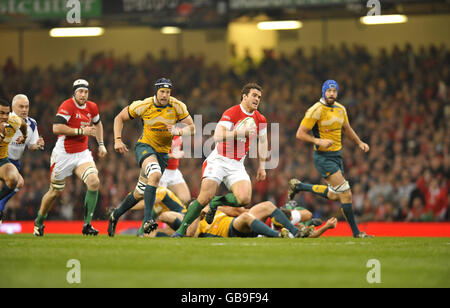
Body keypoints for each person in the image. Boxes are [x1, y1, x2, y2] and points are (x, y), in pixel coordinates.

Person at [174, 83, 268, 237]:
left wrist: (262, 166)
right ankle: (180, 231)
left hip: (237, 164)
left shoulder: (260, 119)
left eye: (259, 97)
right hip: (219, 160)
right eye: (254, 95)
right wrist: (239, 133)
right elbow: (217, 136)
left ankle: (216, 203)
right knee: (204, 197)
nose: (257, 99)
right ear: (244, 97)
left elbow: (263, 142)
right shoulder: (232, 112)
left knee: (244, 199)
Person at [289, 80, 373, 238]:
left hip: (337, 156)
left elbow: (347, 129)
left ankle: (300, 186)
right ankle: (357, 233)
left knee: (336, 195)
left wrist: (359, 142)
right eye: (329, 91)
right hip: (323, 157)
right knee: (346, 193)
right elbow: (300, 133)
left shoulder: (341, 109)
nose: (332, 94)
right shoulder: (316, 110)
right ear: (323, 92)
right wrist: (318, 141)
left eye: (334, 91)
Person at [111, 78, 195, 235]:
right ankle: (148, 220)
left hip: (162, 155)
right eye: (162, 91)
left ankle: (115, 214)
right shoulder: (143, 105)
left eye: (168, 92)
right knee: (155, 175)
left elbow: (192, 127)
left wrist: (180, 131)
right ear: (156, 91)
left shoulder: (177, 106)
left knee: (139, 193)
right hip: (145, 147)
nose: (165, 95)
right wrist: (117, 140)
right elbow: (119, 118)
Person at [33, 79, 107, 236]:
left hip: (82, 154)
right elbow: (56, 127)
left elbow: (98, 124)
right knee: (55, 192)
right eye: (80, 91)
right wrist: (81, 132)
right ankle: (39, 221)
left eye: (86, 92)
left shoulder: (92, 107)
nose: (83, 95)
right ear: (74, 92)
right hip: (63, 154)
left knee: (94, 181)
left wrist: (101, 144)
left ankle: (87, 225)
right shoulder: (67, 105)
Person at [0, 94, 45, 224]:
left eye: (27, 107)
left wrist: (34, 143)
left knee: (18, 182)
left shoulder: (27, 123)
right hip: (5, 159)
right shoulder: (8, 120)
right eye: (21, 107)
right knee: (16, 182)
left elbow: (31, 144)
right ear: (13, 108)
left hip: (9, 161)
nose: (24, 109)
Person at [186, 201, 308, 238]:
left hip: (239, 222)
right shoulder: (195, 225)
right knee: (245, 217)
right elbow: (191, 236)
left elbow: (237, 211)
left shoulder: (215, 210)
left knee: (267, 205)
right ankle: (279, 235)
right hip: (231, 230)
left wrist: (255, 212)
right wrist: (198, 217)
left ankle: (296, 232)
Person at [108, 186, 186, 237]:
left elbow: (145, 204)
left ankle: (185, 231)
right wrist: (140, 233)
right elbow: (147, 219)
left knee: (163, 216)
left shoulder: (161, 191)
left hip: (183, 217)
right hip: (173, 225)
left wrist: (124, 208)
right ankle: (182, 235)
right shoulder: (156, 207)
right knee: (149, 234)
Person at [0, 98, 27, 225]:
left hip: (2, 160)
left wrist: (24, 137)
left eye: (7, 113)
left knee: (14, 180)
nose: (5, 117)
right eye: (1, 113)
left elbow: (23, 125)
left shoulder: (13, 121)